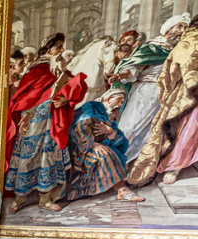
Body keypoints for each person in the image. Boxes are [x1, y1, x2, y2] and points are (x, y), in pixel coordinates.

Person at [5, 33, 88, 213]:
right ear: (48, 48)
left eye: (62, 47)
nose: (61, 50)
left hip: (53, 120)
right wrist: (26, 115)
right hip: (34, 120)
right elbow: (27, 96)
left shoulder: (61, 70)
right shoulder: (37, 68)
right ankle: (20, 198)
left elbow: (71, 90)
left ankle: (45, 199)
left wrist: (66, 100)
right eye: (58, 46)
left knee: (48, 158)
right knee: (27, 157)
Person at [128, 15, 198, 188]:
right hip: (190, 91)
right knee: (188, 127)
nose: (180, 30)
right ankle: (174, 166)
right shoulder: (190, 40)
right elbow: (177, 69)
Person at [110, 13, 190, 162]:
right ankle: (115, 160)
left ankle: (133, 163)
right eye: (178, 27)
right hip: (145, 92)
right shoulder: (152, 48)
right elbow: (134, 67)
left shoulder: (178, 52)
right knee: (131, 126)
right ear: (168, 29)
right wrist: (121, 76)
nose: (181, 31)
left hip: (164, 96)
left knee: (150, 133)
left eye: (184, 28)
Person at [68, 89, 143, 202]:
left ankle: (121, 190)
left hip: (97, 148)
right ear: (109, 99)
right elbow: (79, 129)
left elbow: (120, 140)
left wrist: (111, 133)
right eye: (118, 101)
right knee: (105, 154)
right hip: (80, 151)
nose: (119, 105)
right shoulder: (91, 108)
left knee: (109, 152)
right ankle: (122, 190)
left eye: (121, 103)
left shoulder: (107, 114)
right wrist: (92, 145)